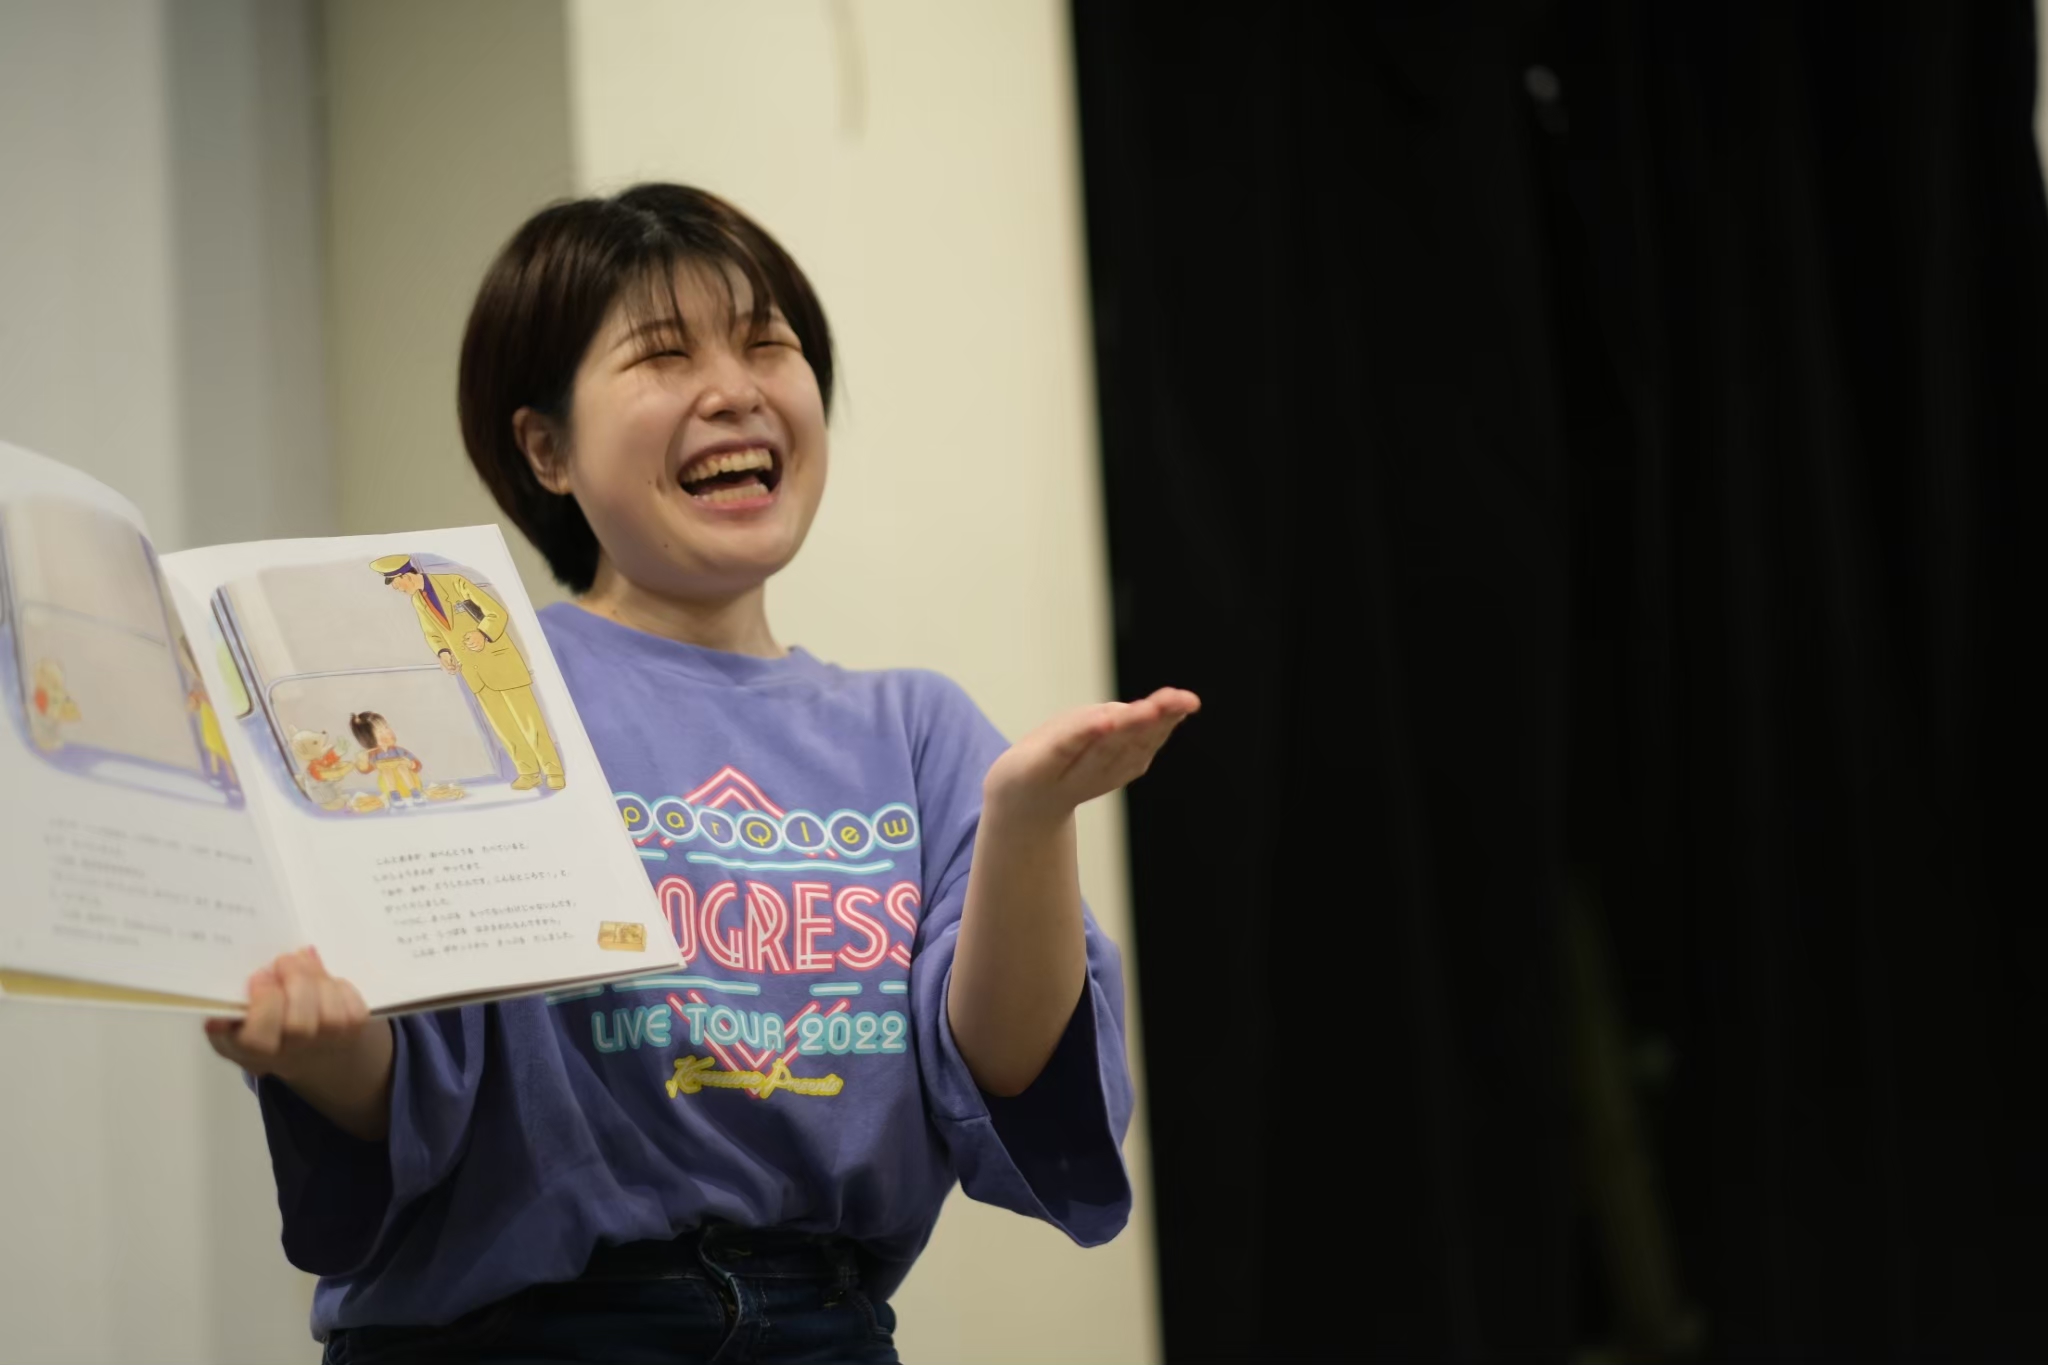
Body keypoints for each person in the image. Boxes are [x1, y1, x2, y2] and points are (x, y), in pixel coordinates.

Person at [204, 184, 1198, 1364]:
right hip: (513, 1334)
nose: (734, 390)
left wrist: (1028, 820)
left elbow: (1006, 1072)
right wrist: (319, 1052)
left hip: (823, 1329)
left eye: (767, 343)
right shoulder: (475, 691)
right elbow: (413, 1083)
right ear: (546, 450)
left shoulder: (918, 728)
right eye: (663, 355)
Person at [368, 553, 565, 790]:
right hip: (474, 674)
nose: (396, 589)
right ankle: (528, 772)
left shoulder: (455, 582)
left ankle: (553, 771)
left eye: (395, 584)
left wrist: (482, 634)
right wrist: (443, 652)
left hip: (502, 663)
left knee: (530, 722)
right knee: (505, 728)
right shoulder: (419, 601)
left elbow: (496, 613)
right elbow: (432, 633)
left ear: (404, 576)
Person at [347, 711, 424, 807]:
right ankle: (395, 796)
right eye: (380, 732)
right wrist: (362, 762)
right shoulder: (373, 755)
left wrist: (411, 764)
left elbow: (418, 765)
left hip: (410, 783)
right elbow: (366, 770)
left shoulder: (399, 751)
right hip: (388, 787)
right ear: (369, 738)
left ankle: (415, 792)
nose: (387, 732)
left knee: (402, 768)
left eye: (386, 727)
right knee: (386, 770)